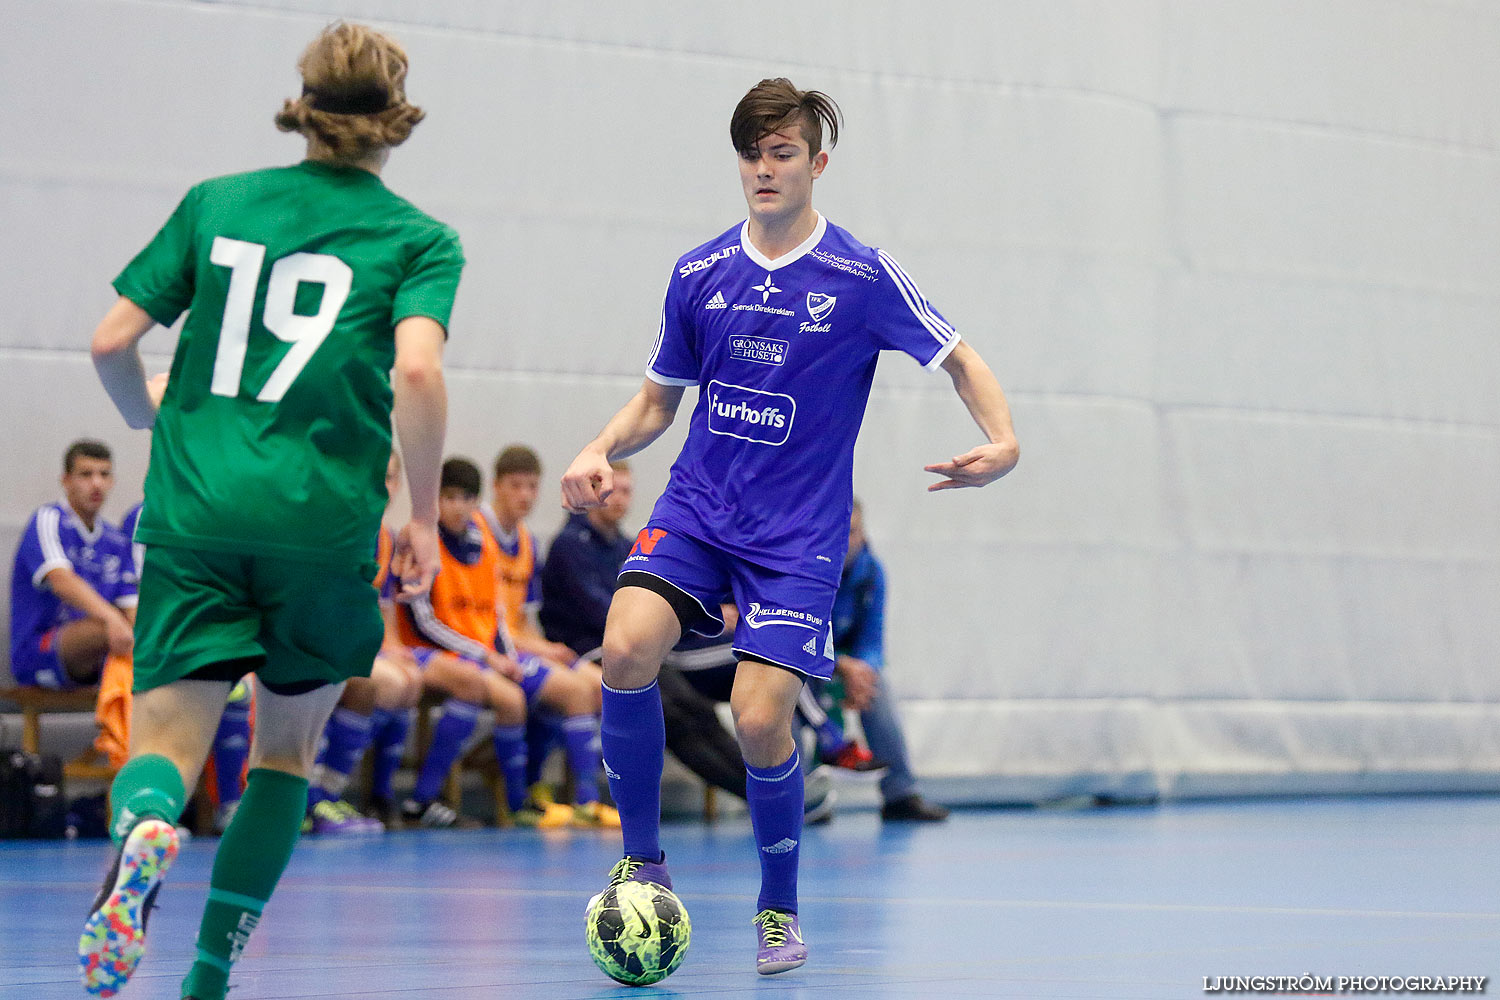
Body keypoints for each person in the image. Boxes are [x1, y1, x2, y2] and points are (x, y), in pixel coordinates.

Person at [561, 78, 1019, 975]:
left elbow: (958, 356)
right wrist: (603, 445)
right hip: (697, 511)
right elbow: (660, 398)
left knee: (760, 718)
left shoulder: (860, 275)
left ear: (816, 163)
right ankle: (642, 861)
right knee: (622, 650)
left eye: (781, 154)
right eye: (750, 154)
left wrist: (1001, 441)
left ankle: (778, 909)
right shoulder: (699, 273)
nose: (764, 170)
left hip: (796, 539)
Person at [79, 22, 459, 1000]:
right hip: (323, 525)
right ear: (394, 120)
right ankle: (206, 975)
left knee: (163, 749)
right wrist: (420, 517)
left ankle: (151, 824)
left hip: (199, 512)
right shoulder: (417, 238)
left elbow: (111, 341)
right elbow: (417, 367)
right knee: (284, 755)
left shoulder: (219, 205)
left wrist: (150, 418)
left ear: (306, 106)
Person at [395, 458, 617, 829]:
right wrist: (497, 654)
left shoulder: (495, 543)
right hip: (438, 651)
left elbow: (498, 614)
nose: (459, 507)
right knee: (562, 692)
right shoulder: (424, 539)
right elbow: (423, 620)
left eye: (532, 486)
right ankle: (548, 798)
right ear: (496, 488)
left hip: (488, 649)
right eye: (516, 485)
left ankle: (534, 795)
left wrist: (508, 655)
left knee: (598, 685)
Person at [305, 451, 423, 835]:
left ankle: (373, 793)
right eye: (375, 476)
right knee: (373, 684)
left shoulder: (385, 537)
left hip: (350, 642)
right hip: (311, 641)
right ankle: (318, 797)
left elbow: (382, 608)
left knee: (409, 679)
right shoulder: (335, 528)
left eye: (390, 478)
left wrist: (392, 648)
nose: (382, 487)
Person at [832, 500, 950, 821]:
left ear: (864, 534)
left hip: (846, 669)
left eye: (852, 532)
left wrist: (863, 671)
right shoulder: (806, 571)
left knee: (877, 688)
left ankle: (900, 795)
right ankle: (801, 801)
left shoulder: (871, 573)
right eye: (837, 532)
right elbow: (794, 636)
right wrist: (842, 665)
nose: (844, 541)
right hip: (805, 664)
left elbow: (872, 639)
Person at [9, 440, 137, 690]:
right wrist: (114, 619)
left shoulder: (115, 539)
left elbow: (132, 606)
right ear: (66, 480)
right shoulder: (49, 519)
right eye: (86, 475)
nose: (96, 483)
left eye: (104, 474)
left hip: (98, 656)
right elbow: (60, 580)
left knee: (146, 631)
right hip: (40, 651)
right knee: (110, 627)